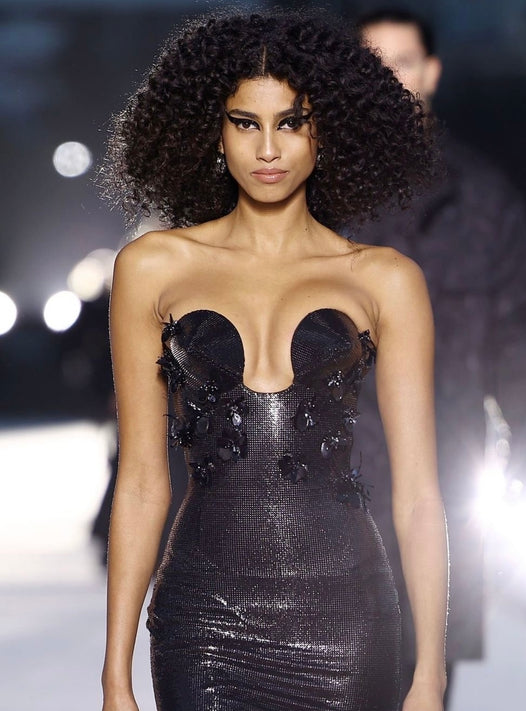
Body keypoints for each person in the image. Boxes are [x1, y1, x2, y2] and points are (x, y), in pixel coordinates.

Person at [100, 10, 449, 711]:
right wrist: (114, 677)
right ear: (214, 132)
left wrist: (430, 675)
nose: (267, 148)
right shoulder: (151, 268)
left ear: (327, 131)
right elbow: (140, 484)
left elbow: (417, 495)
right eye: (245, 123)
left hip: (346, 620)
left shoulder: (384, 280)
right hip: (202, 621)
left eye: (291, 122)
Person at [352, 8, 526, 709]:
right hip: (331, 491)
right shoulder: (308, 195)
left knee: (427, 680)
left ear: (430, 72)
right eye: (371, 64)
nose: (387, 79)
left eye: (401, 62)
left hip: (447, 477)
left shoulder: (483, 200)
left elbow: (516, 337)